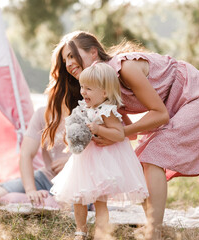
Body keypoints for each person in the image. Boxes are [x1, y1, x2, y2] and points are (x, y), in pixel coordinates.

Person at [42, 31, 199, 239]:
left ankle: (153, 233)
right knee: (137, 165)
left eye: (72, 55)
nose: (69, 63)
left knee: (153, 155)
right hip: (173, 104)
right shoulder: (102, 87)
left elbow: (159, 115)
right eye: (65, 60)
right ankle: (152, 228)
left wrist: (117, 133)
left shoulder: (124, 68)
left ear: (93, 52)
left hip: (196, 96)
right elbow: (122, 129)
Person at [50, 62, 149, 240]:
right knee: (78, 197)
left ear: (104, 93)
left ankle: (101, 233)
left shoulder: (107, 111)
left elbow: (119, 134)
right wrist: (71, 133)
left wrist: (98, 129)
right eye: (82, 87)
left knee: (100, 200)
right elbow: (76, 127)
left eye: (88, 88)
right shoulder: (83, 108)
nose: (83, 92)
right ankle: (80, 231)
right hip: (84, 160)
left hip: (103, 161)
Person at [0, 106, 70, 206]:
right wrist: (30, 190)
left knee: (67, 206)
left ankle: (43, 201)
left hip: (75, 186)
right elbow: (26, 154)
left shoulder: (89, 115)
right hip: (46, 178)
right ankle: (40, 200)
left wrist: (71, 163)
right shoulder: (44, 113)